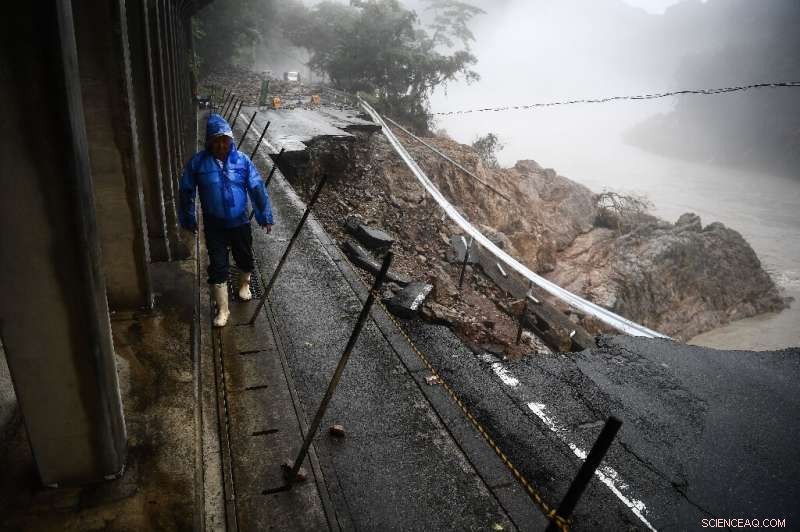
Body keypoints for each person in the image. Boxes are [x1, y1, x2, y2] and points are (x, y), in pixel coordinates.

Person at [179, 113, 274, 327]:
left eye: (225, 140)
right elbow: (186, 191)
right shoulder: (198, 163)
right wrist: (188, 218)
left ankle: (244, 285)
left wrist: (264, 216)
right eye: (216, 140)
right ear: (209, 142)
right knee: (218, 265)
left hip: (239, 222)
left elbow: (257, 188)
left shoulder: (242, 161)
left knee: (244, 256)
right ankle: (223, 309)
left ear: (231, 140)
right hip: (214, 225)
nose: (221, 145)